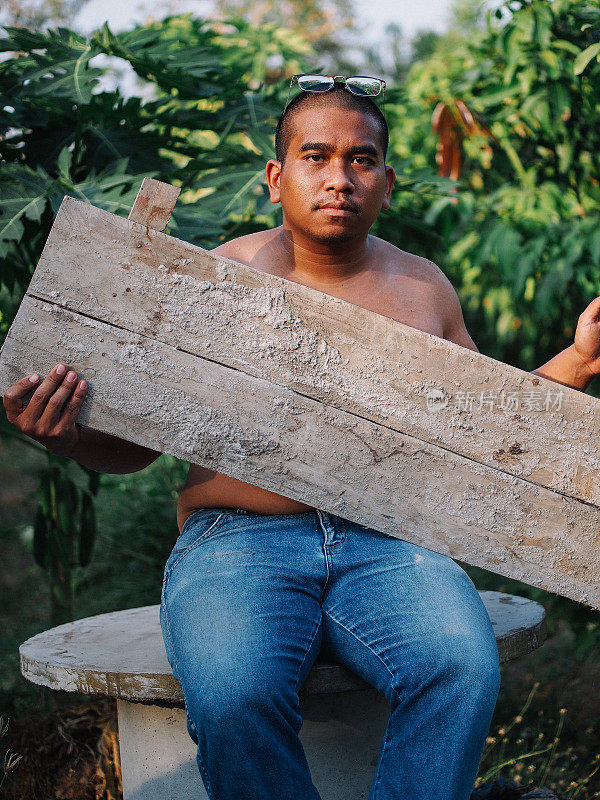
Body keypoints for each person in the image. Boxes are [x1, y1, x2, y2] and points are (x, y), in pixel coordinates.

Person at [4, 77, 600, 800]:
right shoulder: (218, 276)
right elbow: (138, 447)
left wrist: (577, 360)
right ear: (276, 177)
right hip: (235, 540)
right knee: (234, 695)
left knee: (458, 667)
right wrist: (67, 434)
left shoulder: (423, 288)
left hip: (390, 540)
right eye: (316, 156)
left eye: (362, 159)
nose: (339, 178)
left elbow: (482, 434)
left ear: (386, 181)